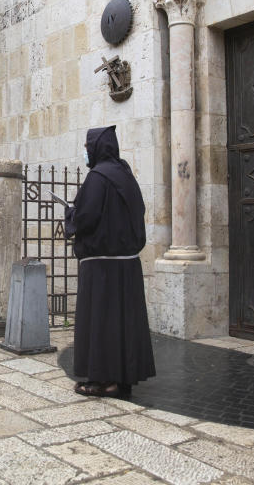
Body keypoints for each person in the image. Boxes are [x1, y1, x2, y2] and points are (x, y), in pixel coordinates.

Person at [65, 126, 155, 398]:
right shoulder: (126, 176)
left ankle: (103, 380)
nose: (85, 151)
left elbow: (87, 217)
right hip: (127, 264)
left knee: (101, 322)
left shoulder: (97, 177)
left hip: (102, 266)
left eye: (86, 145)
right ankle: (123, 378)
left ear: (96, 147)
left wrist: (71, 214)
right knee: (123, 323)